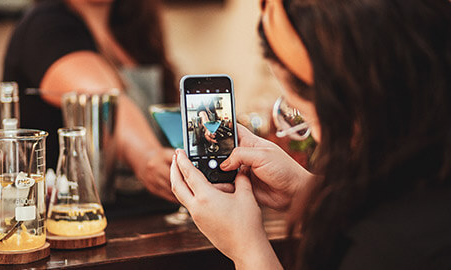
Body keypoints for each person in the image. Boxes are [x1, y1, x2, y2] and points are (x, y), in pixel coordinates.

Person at [170, 0, 451, 269]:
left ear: (345, 106)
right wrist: (308, 191)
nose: (314, 136)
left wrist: (246, 248)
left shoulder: (391, 250)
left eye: (300, 112)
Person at [3, 0, 177, 201]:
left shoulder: (136, 29)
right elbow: (102, 99)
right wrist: (147, 156)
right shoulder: (45, 25)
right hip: (70, 213)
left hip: (143, 210)